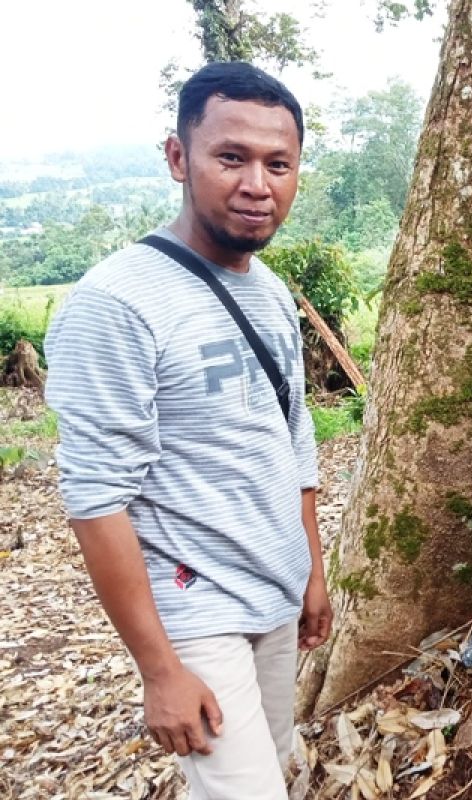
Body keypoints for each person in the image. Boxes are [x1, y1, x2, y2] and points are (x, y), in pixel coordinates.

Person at [45, 62, 332, 799]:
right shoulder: (116, 303)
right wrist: (160, 670)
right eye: (230, 157)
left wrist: (312, 573)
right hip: (194, 610)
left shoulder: (267, 293)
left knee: (280, 767)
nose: (256, 184)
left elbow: (291, 439)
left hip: (272, 592)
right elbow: (97, 497)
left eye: (278, 163)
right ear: (178, 157)